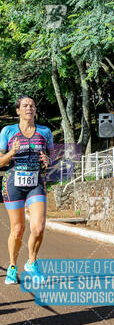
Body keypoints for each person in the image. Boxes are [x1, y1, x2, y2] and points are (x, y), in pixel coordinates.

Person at [0, 96, 54, 284]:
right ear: (18, 111)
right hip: (13, 182)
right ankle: (12, 267)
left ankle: (31, 262)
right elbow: (0, 162)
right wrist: (12, 152)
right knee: (17, 229)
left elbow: (51, 158)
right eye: (25, 106)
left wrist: (48, 162)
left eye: (32, 105)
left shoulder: (45, 132)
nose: (29, 108)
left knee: (38, 227)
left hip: (36, 182)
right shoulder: (8, 131)